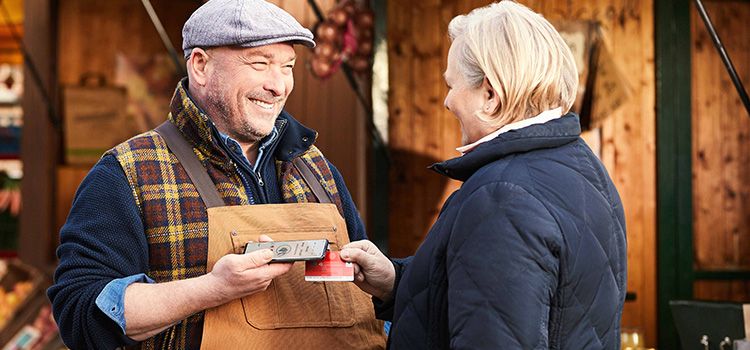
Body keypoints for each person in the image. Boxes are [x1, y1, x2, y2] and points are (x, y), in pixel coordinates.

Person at [48, 0, 385, 349]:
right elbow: (79, 314)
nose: (279, 85)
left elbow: (362, 297)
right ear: (200, 66)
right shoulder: (127, 173)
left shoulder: (318, 169)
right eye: (259, 63)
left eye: (287, 67)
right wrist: (212, 289)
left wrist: (390, 280)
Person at [340, 1, 628, 349]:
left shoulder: (502, 198)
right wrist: (395, 281)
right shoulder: (581, 167)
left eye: (453, 85)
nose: (447, 101)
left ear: (490, 95)